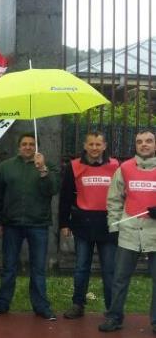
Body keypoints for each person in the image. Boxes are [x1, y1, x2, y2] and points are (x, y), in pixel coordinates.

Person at [0, 132, 60, 320]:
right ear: (19, 146)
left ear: (37, 146)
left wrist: (43, 169)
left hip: (38, 224)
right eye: (24, 144)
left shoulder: (48, 166)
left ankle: (41, 306)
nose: (28, 147)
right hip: (11, 224)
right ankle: (1, 303)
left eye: (31, 144)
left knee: (38, 268)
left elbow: (52, 190)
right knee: (9, 267)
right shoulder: (5, 167)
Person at [99, 129, 156, 333]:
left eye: (149, 141)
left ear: (155, 144)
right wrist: (113, 226)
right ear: (135, 145)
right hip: (129, 231)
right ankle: (114, 317)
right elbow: (114, 199)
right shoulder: (124, 168)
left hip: (155, 233)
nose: (144, 145)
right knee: (120, 278)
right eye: (140, 141)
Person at [59, 131, 119, 319]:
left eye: (98, 144)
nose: (94, 148)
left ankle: (112, 309)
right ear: (85, 146)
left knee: (109, 270)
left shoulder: (116, 166)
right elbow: (65, 196)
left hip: (109, 225)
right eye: (91, 144)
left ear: (105, 145)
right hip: (82, 224)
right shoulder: (74, 166)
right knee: (81, 268)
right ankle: (78, 304)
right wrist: (63, 223)